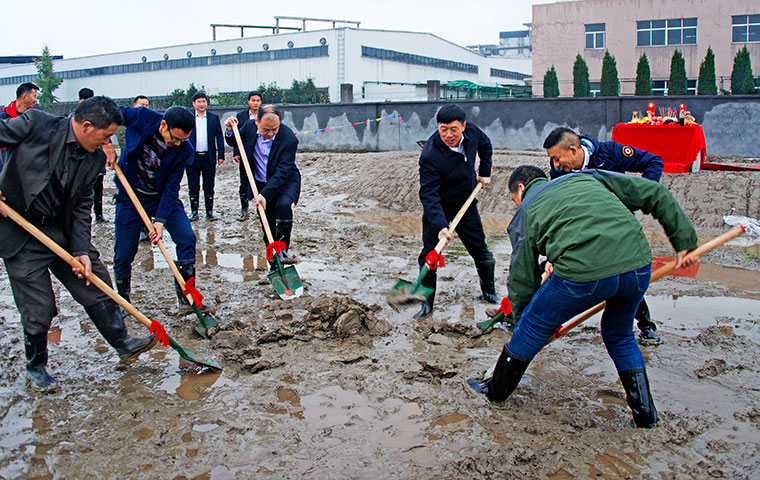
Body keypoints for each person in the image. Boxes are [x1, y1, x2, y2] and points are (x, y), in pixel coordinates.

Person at [467, 165, 698, 428]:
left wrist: (523, 323)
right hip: (638, 264)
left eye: (513, 200)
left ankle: (494, 392)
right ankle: (645, 416)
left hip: (584, 272)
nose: (516, 205)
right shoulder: (585, 177)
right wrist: (685, 240)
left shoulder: (525, 211)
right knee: (619, 335)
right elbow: (654, 191)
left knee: (531, 325)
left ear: (520, 188)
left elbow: (522, 280)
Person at [0, 96, 157, 393]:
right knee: (40, 307)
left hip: (60, 231)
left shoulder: (95, 157)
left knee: (96, 281)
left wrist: (81, 250)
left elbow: (83, 206)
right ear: (86, 126)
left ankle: (123, 343)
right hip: (20, 233)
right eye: (106, 135)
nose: (108, 142)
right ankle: (36, 366)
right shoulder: (36, 124)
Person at [544, 127, 665, 345]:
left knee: (622, 274)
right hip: (583, 228)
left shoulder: (610, 154)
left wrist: (640, 195)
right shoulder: (560, 172)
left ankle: (646, 325)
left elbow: (653, 162)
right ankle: (543, 322)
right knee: (551, 268)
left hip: (617, 229)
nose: (555, 165)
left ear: (573, 150)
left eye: (557, 158)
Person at [413, 104, 499, 319]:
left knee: (480, 249)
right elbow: (429, 195)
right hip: (439, 207)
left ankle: (489, 291)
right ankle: (426, 304)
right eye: (443, 129)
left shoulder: (473, 133)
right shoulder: (430, 154)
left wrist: (485, 172)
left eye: (453, 129)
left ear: (463, 126)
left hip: (466, 203)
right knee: (429, 255)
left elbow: (486, 145)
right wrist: (441, 226)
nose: (448, 135)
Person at [112, 105, 198, 310]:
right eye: (174, 138)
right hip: (130, 196)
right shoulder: (142, 117)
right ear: (163, 125)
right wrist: (106, 143)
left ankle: (186, 298)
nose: (177, 144)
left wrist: (160, 221)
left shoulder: (184, 150)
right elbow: (108, 113)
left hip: (161, 197)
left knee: (187, 237)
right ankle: (124, 302)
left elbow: (171, 187)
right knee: (124, 252)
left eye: (182, 140)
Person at [224, 104, 300, 271]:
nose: (271, 133)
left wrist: (264, 194)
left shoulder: (289, 138)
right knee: (267, 221)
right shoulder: (249, 127)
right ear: (257, 122)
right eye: (267, 130)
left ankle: (282, 252)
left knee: (282, 205)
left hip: (285, 181)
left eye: (275, 129)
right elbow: (234, 140)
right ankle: (273, 262)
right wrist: (230, 130)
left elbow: (283, 171)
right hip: (259, 182)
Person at [186, 92, 225, 221]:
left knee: (209, 186)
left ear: (207, 103)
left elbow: (219, 137)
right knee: (193, 186)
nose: (201, 104)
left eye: (203, 101)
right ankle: (194, 213)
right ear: (193, 104)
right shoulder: (189, 117)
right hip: (192, 157)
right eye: (199, 102)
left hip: (208, 157)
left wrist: (221, 155)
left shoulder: (213, 118)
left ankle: (209, 212)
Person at [77, 88, 108, 223]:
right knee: (82, 191)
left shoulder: (100, 118)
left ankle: (99, 214)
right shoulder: (74, 119)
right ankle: (82, 216)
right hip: (81, 162)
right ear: (80, 100)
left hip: (97, 161)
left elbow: (107, 138)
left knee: (98, 189)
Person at [233, 91, 262, 220]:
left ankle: (260, 209)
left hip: (261, 155)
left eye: (258, 100)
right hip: (245, 155)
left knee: (260, 182)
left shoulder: (264, 115)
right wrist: (236, 152)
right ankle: (244, 210)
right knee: (244, 183)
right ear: (248, 101)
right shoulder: (241, 116)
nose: (255, 103)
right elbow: (237, 136)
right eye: (253, 100)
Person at [0, 83, 40, 173]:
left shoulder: (36, 117)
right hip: (6, 168)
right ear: (25, 96)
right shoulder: (3, 117)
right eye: (34, 96)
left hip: (29, 168)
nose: (36, 100)